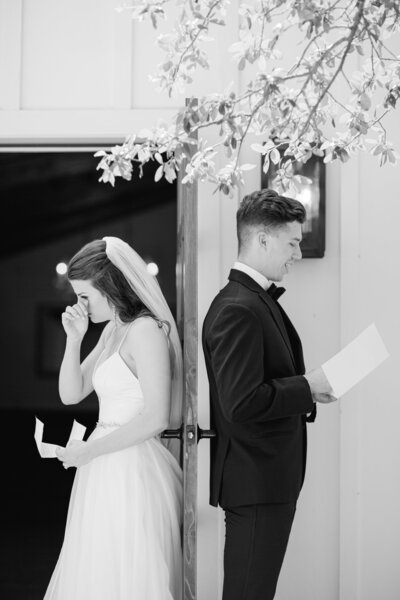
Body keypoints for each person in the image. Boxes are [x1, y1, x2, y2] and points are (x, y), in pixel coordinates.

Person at [201, 189, 336, 600]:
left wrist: (307, 392)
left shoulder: (252, 300)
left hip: (265, 480)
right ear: (262, 239)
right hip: (255, 481)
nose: (296, 252)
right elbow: (240, 403)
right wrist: (307, 386)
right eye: (292, 242)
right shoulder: (237, 308)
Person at [44, 236, 183, 600]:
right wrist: (74, 340)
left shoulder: (146, 331)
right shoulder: (113, 328)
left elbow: (155, 416)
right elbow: (71, 394)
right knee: (97, 570)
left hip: (132, 468)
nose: (80, 304)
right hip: (103, 467)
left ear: (108, 285)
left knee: (129, 570)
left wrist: (91, 451)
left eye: (84, 295)